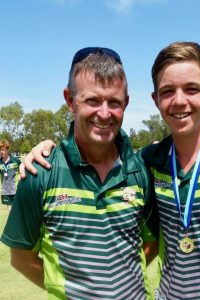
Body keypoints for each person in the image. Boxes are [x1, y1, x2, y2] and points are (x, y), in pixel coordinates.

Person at [20, 42, 200, 299]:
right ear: (155, 99)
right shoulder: (149, 161)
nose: (180, 101)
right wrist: (47, 148)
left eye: (192, 89)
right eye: (168, 91)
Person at [1, 47, 158, 299]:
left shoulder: (140, 171)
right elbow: (21, 258)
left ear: (126, 103)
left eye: (114, 102)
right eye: (92, 101)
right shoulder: (40, 173)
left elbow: (152, 243)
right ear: (70, 100)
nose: (104, 114)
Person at [0, 140, 21, 210]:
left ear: (7, 149)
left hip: (16, 190)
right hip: (5, 191)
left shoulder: (16, 161)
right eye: (0, 150)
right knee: (10, 209)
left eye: (3, 150)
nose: (1, 152)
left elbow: (23, 172)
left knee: (17, 209)